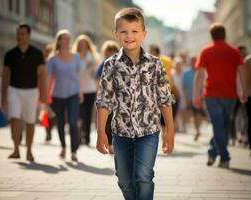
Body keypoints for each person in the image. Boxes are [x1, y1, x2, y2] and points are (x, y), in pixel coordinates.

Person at [96, 8, 175, 200]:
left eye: (134, 31)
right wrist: (100, 133)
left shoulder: (155, 64)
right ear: (116, 34)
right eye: (124, 31)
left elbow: (165, 98)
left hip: (148, 132)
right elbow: (104, 100)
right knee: (123, 179)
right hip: (120, 132)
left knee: (143, 176)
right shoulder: (110, 65)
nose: (129, 36)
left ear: (144, 34)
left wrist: (170, 130)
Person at [193, 23, 247, 168]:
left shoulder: (206, 51)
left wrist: (196, 95)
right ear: (225, 35)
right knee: (223, 126)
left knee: (219, 126)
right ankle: (222, 155)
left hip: (211, 94)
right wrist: (244, 92)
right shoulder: (234, 52)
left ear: (211, 36)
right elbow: (242, 72)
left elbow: (199, 75)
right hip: (230, 95)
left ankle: (218, 154)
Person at [2, 24, 47, 162]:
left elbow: (42, 75)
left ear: (28, 35)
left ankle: (29, 151)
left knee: (30, 121)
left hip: (31, 91)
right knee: (14, 119)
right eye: (18, 33)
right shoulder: (10, 54)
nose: (20, 36)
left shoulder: (37, 53)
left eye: (22, 34)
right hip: (13, 90)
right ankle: (16, 149)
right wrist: (3, 96)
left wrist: (43, 95)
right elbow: (5, 76)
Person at [47, 29, 83, 162]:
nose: (67, 41)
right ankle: (63, 146)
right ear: (59, 41)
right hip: (57, 95)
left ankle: (73, 151)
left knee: (73, 122)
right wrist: (46, 96)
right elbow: (49, 78)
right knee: (60, 123)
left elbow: (78, 76)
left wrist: (80, 92)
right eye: (64, 38)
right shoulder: (52, 59)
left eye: (69, 39)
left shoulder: (76, 57)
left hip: (73, 94)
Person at [72, 35, 99, 146]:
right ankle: (79, 135)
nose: (82, 45)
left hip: (90, 89)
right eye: (80, 43)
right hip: (77, 89)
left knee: (87, 114)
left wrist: (92, 68)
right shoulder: (74, 57)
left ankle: (86, 137)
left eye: (84, 43)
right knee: (78, 114)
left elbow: (95, 75)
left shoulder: (92, 57)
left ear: (88, 45)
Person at [95, 40, 120, 154]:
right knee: (107, 121)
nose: (111, 54)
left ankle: (114, 142)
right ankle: (110, 143)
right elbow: (97, 81)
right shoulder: (103, 64)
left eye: (113, 51)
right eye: (109, 51)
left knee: (115, 121)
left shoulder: (120, 63)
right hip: (106, 98)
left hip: (118, 98)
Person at [182, 56, 205, 141]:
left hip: (201, 96)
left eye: (195, 61)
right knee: (195, 115)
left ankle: (198, 128)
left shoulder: (202, 71)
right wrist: (185, 98)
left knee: (200, 114)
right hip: (190, 97)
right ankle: (197, 129)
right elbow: (184, 86)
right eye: (192, 61)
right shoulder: (186, 73)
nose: (194, 63)